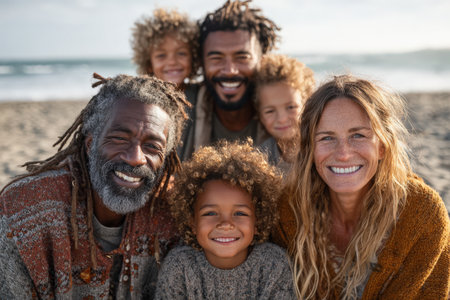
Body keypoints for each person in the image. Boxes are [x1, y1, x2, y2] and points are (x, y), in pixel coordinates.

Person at [0, 74, 191, 299]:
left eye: (152, 146)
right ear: (90, 144)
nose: (135, 158)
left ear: (166, 158)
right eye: (119, 138)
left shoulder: (176, 210)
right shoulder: (24, 210)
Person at [273, 75, 450, 299]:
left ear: (383, 146)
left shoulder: (422, 211)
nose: (344, 154)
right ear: (310, 149)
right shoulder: (289, 210)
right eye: (327, 138)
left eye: (358, 135)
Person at [155, 140, 295, 299]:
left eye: (240, 213)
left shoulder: (274, 264)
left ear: (258, 221)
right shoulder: (179, 266)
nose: (226, 224)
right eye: (210, 213)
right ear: (192, 222)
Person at [177, 0, 280, 161]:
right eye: (216, 58)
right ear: (201, 63)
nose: (230, 70)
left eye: (242, 57)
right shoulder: (180, 107)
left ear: (263, 60)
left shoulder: (287, 110)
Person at [255, 53, 315, 175]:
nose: (282, 119)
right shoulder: (261, 158)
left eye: (291, 107)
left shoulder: (319, 149)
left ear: (307, 103)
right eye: (270, 111)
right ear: (259, 115)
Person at [131, 8, 200, 91]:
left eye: (181, 53)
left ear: (193, 58)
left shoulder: (205, 95)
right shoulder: (141, 100)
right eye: (161, 55)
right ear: (149, 64)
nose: (172, 62)